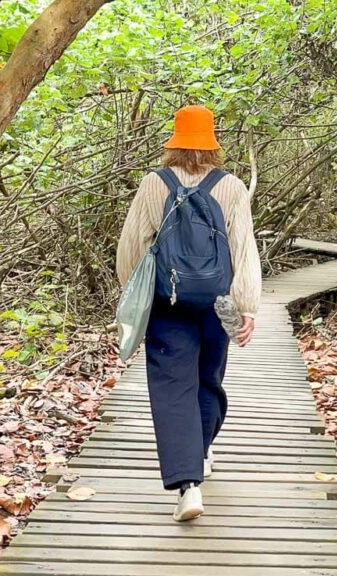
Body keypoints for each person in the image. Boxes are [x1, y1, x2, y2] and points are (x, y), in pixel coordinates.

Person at [115, 105, 261, 521]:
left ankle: (188, 485)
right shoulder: (231, 186)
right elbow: (243, 248)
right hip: (218, 303)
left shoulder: (153, 184)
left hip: (168, 303)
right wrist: (246, 306)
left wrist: (137, 294)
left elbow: (131, 248)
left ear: (174, 144)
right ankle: (203, 448)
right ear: (212, 146)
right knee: (208, 380)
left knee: (172, 389)